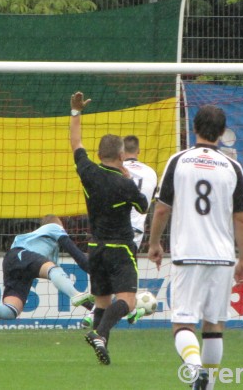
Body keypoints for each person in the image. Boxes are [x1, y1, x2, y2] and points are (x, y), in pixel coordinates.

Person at [148, 105, 243, 390]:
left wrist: (155, 242)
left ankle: (195, 371)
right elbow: (240, 218)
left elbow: (161, 210)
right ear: (221, 132)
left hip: (188, 254)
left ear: (193, 128)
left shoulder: (178, 161)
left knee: (182, 325)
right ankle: (208, 384)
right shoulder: (233, 167)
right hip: (221, 257)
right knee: (214, 327)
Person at [70, 91, 150, 365]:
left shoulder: (88, 172)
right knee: (128, 301)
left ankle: (101, 348)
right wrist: (128, 177)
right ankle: (100, 334)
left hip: (96, 248)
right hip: (120, 248)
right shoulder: (125, 183)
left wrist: (75, 112)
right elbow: (143, 207)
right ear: (121, 155)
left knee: (102, 303)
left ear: (99, 154)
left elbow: (76, 143)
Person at [0, 214, 93, 319]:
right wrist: (96, 271)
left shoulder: (46, 247)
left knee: (10, 311)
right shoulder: (53, 227)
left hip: (16, 265)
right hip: (21, 255)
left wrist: (93, 308)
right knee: (53, 269)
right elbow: (78, 256)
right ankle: (77, 295)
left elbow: (60, 281)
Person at [81, 135, 159, 328]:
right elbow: (145, 206)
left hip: (103, 234)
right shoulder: (150, 173)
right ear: (137, 151)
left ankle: (96, 315)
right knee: (126, 293)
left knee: (107, 286)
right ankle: (102, 319)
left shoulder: (105, 170)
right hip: (130, 235)